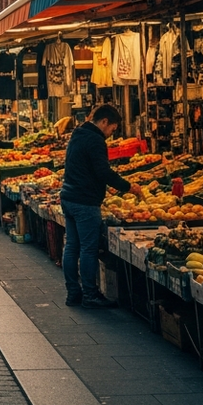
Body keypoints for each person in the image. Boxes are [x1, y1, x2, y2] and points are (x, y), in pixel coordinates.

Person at [60, 104, 143, 309]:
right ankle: (89, 294)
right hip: (85, 201)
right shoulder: (96, 140)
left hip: (68, 196)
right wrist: (127, 187)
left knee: (72, 247)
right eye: (112, 129)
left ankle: (73, 293)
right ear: (104, 122)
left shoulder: (78, 133)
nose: (110, 134)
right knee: (88, 249)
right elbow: (103, 172)